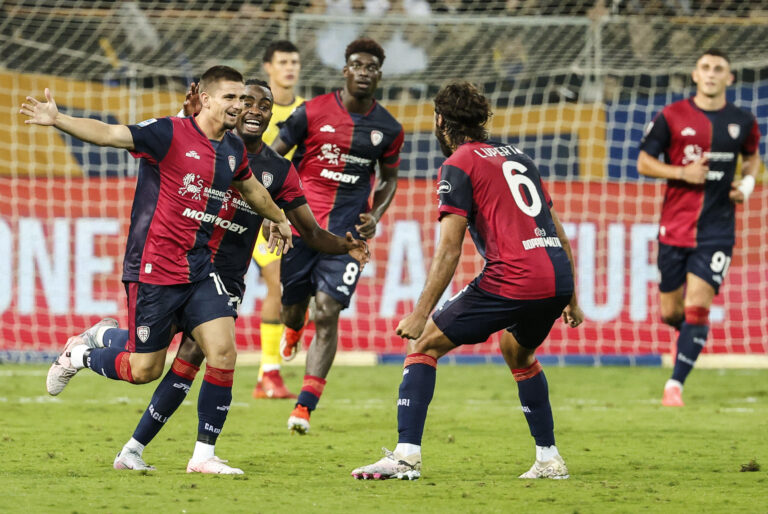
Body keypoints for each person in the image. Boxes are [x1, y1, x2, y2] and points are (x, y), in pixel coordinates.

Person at [21, 66, 294, 474]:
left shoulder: (233, 149)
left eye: (242, 98)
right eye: (230, 98)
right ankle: (80, 354)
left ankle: (203, 456)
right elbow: (111, 134)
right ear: (204, 98)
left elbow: (251, 187)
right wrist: (58, 119)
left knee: (222, 351)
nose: (238, 106)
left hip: (199, 269)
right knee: (144, 369)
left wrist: (278, 217)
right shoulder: (169, 133)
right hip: (154, 270)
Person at [92, 80, 368, 471]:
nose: (254, 109)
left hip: (225, 275)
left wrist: (344, 245)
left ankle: (163, 451)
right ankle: (104, 359)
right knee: (154, 363)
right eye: (245, 101)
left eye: (263, 104)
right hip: (181, 265)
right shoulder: (206, 146)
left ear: (273, 114)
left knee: (202, 354)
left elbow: (309, 231)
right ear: (232, 108)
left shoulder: (278, 169)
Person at [350, 82, 584, 481]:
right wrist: (572, 297)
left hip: (514, 277)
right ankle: (549, 459)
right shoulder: (520, 157)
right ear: (483, 119)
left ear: (441, 121)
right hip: (555, 275)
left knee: (424, 345)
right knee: (518, 352)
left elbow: (448, 251)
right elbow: (558, 230)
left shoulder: (459, 163)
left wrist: (421, 313)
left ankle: (405, 457)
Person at [271, 37, 404, 434]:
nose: (364, 72)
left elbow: (390, 179)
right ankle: (293, 329)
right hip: (300, 227)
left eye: (372, 67)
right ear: (345, 71)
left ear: (379, 75)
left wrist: (375, 214)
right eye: (357, 65)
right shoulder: (309, 113)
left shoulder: (389, 128)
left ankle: (304, 407)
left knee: (327, 312)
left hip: (346, 239)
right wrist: (272, 208)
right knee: (293, 309)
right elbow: (274, 158)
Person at [637, 48, 761, 407]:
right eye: (705, 67)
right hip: (674, 229)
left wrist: (748, 186)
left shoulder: (743, 121)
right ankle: (690, 338)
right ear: (695, 74)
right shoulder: (672, 116)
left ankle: (675, 384)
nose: (711, 73)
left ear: (730, 77)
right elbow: (644, 161)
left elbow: (753, 157)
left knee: (697, 305)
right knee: (672, 313)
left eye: (718, 68)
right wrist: (681, 172)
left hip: (717, 230)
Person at [252, 40, 306, 399]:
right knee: (277, 281)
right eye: (282, 61)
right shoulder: (254, 111)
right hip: (249, 212)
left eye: (294, 62)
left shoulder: (308, 112)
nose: (289, 67)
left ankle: (266, 373)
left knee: (291, 289)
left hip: (289, 214)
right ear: (268, 67)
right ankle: (268, 373)